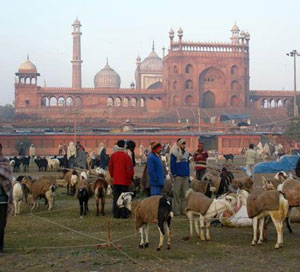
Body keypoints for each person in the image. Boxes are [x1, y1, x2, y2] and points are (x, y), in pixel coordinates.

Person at [109, 140, 134, 218]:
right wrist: (130, 178)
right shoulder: (126, 156)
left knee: (116, 198)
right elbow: (130, 169)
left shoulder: (113, 156)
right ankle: (124, 214)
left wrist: (113, 176)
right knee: (124, 198)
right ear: (124, 146)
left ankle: (116, 214)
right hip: (125, 181)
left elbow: (110, 167)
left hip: (116, 180)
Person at [170, 138, 190, 216]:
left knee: (185, 194)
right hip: (178, 176)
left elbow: (187, 164)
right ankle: (176, 211)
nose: (184, 145)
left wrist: (188, 174)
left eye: (184, 143)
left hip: (185, 176)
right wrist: (174, 173)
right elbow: (172, 164)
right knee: (177, 193)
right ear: (179, 144)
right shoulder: (174, 153)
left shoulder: (187, 153)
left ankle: (184, 210)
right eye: (182, 143)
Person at [0, 143, 13, 254]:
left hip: (3, 199)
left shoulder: (5, 162)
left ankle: (0, 248)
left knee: (2, 224)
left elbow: (8, 178)